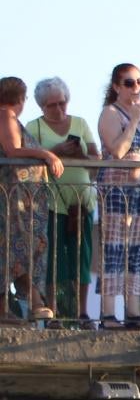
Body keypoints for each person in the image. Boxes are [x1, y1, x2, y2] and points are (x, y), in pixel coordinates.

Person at [25, 79, 95, 323]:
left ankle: (82, 312)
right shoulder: (34, 128)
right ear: (42, 106)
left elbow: (97, 157)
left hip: (81, 201)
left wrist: (80, 154)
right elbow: (27, 161)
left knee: (82, 259)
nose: (58, 109)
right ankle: (53, 310)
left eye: (62, 103)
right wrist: (55, 150)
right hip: (50, 202)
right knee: (53, 259)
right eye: (52, 105)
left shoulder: (81, 123)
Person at [96, 63, 140, 327]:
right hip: (117, 193)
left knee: (137, 251)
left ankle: (133, 311)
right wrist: (132, 119)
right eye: (130, 83)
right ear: (117, 87)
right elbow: (118, 151)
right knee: (114, 249)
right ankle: (108, 313)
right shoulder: (110, 113)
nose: (136, 88)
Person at [0, 77, 62, 322]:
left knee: (16, 248)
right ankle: (34, 302)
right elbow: (13, 150)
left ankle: (14, 308)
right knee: (21, 247)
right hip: (14, 201)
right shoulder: (6, 115)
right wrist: (45, 154)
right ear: (21, 98)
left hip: (22, 199)